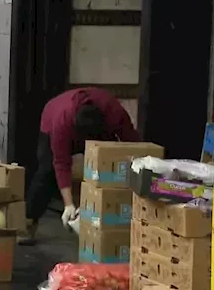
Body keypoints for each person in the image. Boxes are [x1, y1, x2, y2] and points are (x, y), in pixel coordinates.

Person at [20, 87, 139, 245]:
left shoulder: (114, 113)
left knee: (106, 162)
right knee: (46, 171)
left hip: (100, 131)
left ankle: (103, 216)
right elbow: (61, 164)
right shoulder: (62, 122)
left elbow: (133, 143)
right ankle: (28, 222)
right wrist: (68, 204)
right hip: (51, 118)